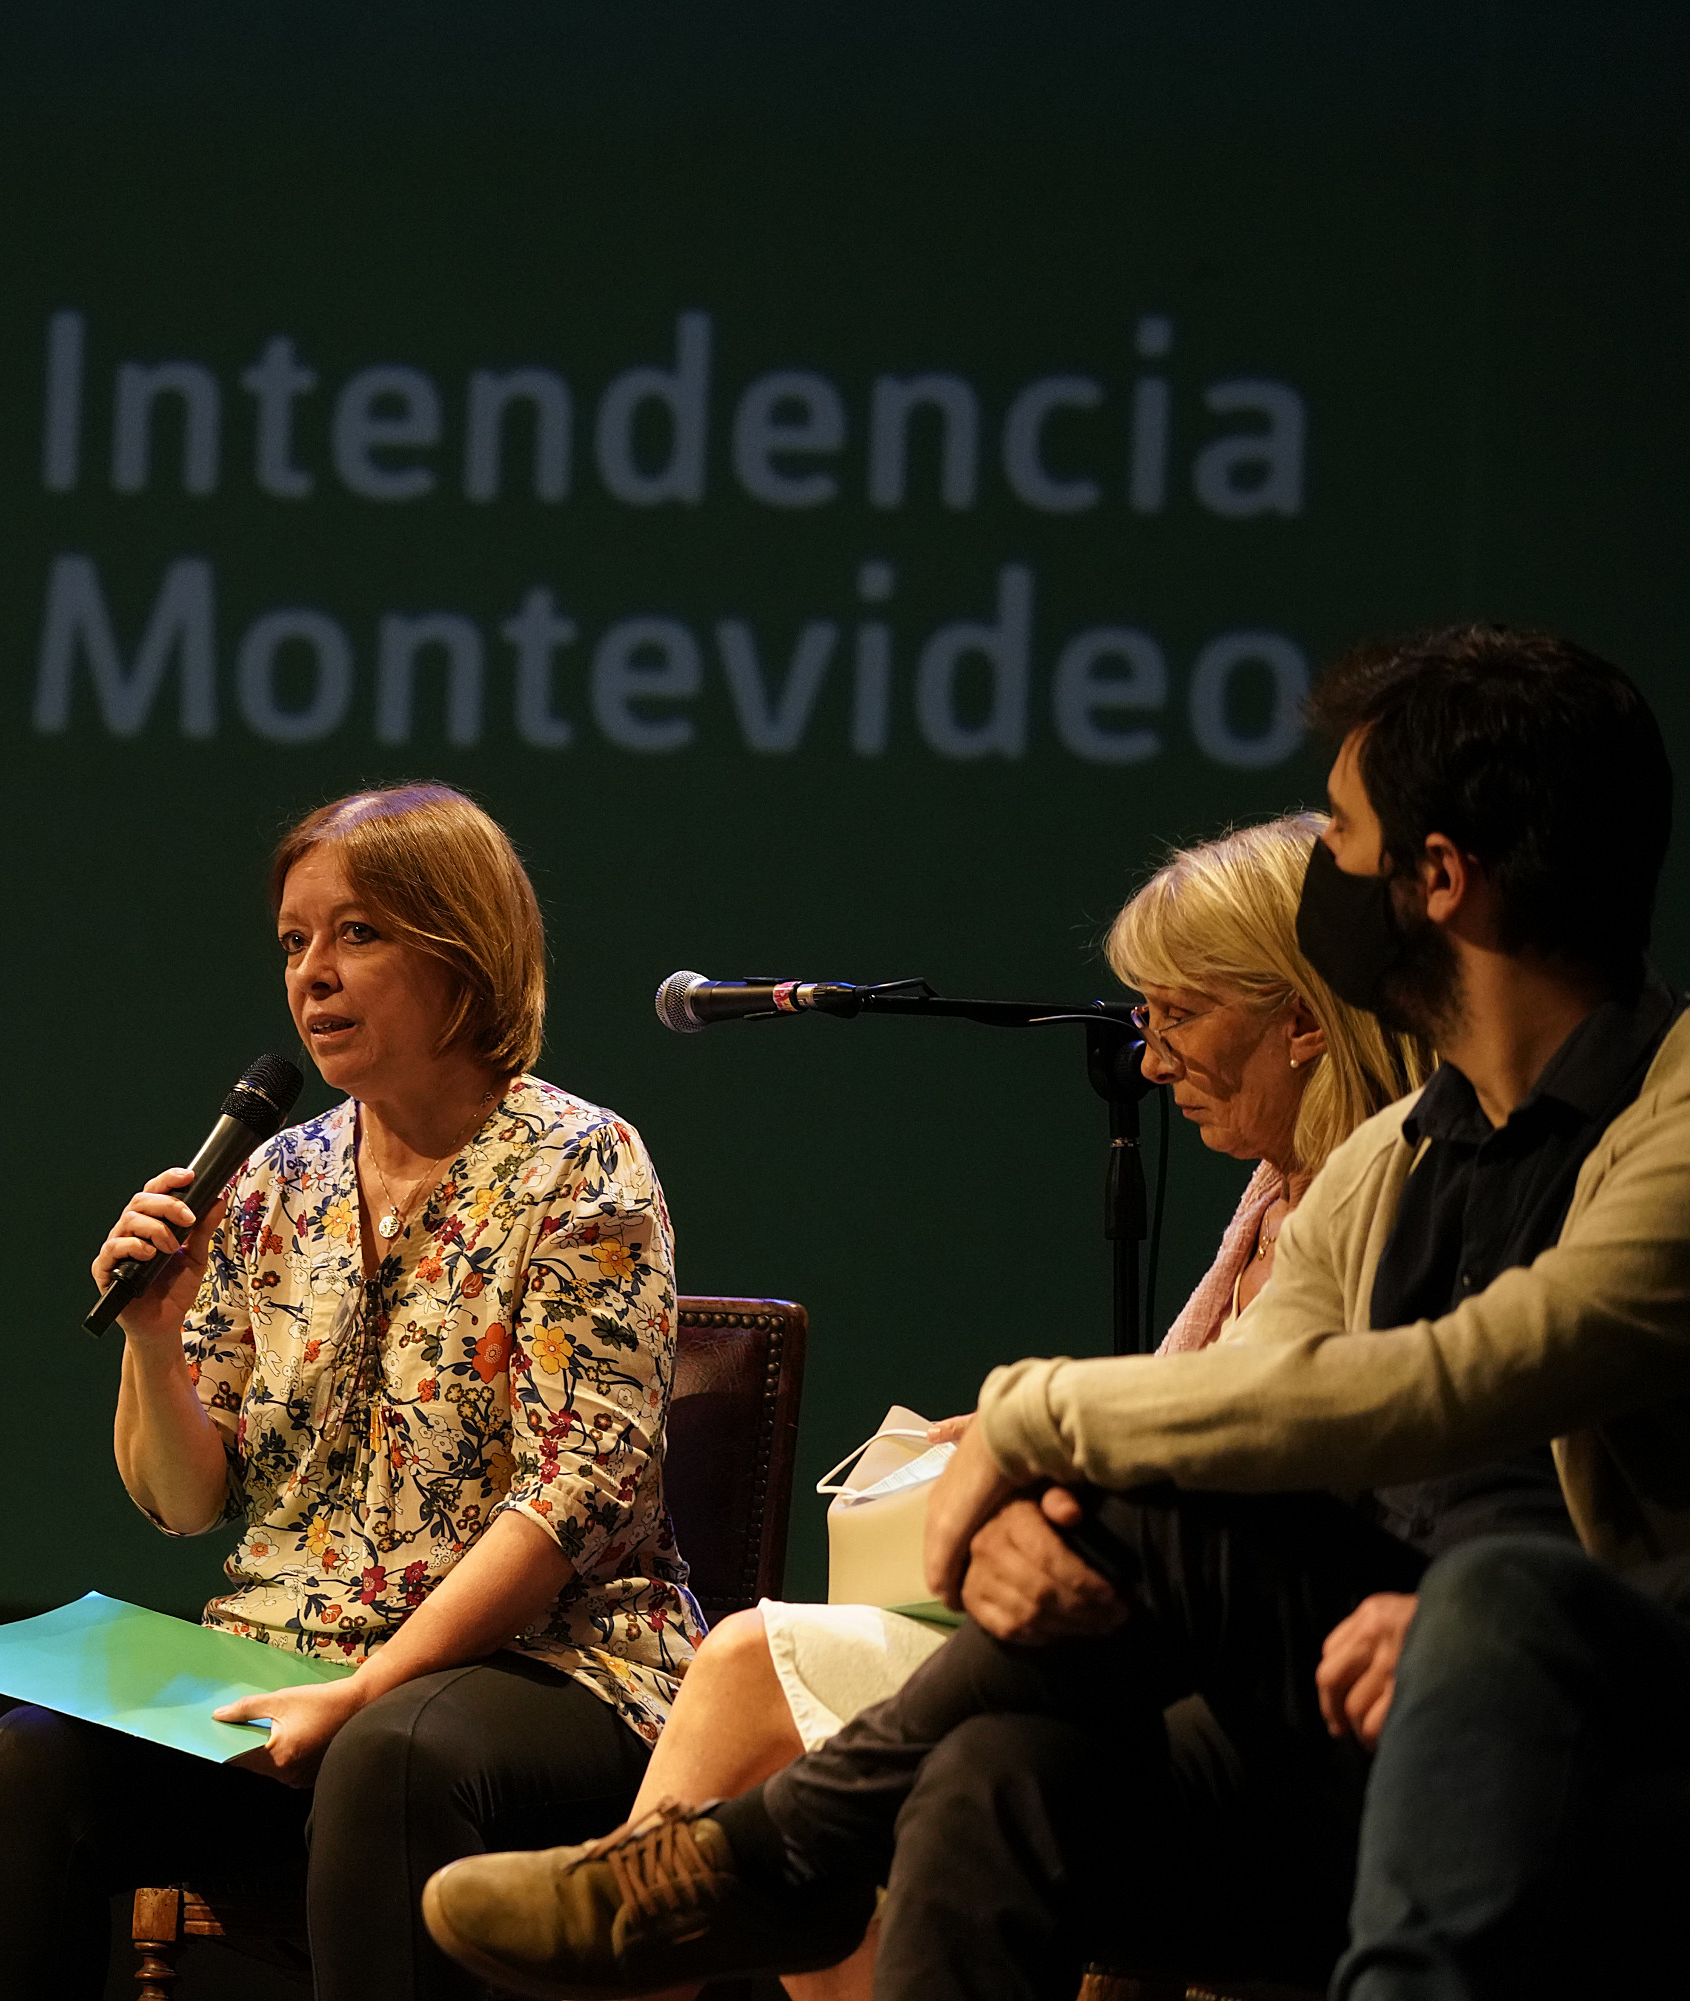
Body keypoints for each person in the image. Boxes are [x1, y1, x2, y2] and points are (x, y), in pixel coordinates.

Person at [418, 623, 1690, 1999]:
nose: (1322, 862)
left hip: (1606, 1696)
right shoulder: (1397, 1158)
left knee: (1459, 1587)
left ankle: (775, 1853)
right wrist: (1047, 1511)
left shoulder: (1671, 1119)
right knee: (999, 1770)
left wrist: (1034, 1423)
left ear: (1438, 878)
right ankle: (779, 1858)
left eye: (1341, 830)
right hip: (1333, 1692)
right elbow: (1243, 1411)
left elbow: (1477, 1372)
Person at [444, 812, 1430, 2001]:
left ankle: (721, 1870)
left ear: (1304, 1023)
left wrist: (1041, 1457)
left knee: (759, 1669)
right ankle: (736, 1871)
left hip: (1267, 1671)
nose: (1151, 1058)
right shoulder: (1278, 1189)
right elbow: (1188, 1420)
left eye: (1177, 1015)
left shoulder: (1400, 1194)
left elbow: (1256, 1453)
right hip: (1140, 1651)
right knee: (978, 1768)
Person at [0, 783, 700, 2001]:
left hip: (550, 1669)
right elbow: (186, 1502)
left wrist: (366, 1687)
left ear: (461, 954)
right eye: (295, 943)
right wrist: (153, 1339)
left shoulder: (580, 1164)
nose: (313, 976)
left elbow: (575, 1497)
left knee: (388, 1757)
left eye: (357, 934)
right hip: (290, 1659)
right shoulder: (274, 1179)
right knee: (33, 1762)